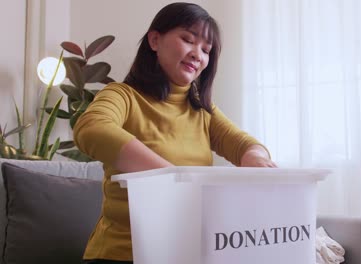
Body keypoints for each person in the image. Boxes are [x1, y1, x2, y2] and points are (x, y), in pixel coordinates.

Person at [73, 2, 276, 264]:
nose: (198, 55)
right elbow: (91, 128)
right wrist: (172, 178)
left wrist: (256, 158)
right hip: (122, 254)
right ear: (155, 40)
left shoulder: (203, 111)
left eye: (206, 50)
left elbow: (244, 145)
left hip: (186, 253)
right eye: (188, 40)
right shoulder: (123, 96)